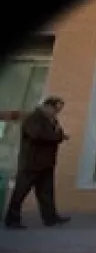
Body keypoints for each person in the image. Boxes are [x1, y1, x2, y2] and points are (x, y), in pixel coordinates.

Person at [4, 96, 71, 229]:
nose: (57, 112)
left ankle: (50, 218)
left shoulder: (51, 120)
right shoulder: (33, 118)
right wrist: (58, 136)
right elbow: (37, 135)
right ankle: (12, 219)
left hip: (46, 163)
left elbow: (57, 133)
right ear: (47, 106)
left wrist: (58, 134)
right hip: (31, 162)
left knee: (46, 192)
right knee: (21, 191)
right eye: (56, 109)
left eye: (59, 110)